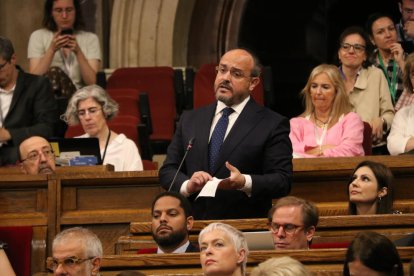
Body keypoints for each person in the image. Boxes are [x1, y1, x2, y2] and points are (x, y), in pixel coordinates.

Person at [159, 48, 292, 220]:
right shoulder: (190, 119)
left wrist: (244, 182)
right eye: (222, 70)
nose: (225, 78)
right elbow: (168, 170)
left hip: (241, 227)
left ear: (253, 83)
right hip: (194, 225)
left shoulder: (272, 124)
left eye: (236, 74)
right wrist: (188, 185)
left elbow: (282, 180)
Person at [0, 36, 57, 166]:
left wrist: (8, 134)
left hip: (22, 157)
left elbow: (47, 128)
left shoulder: (37, 85)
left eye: (0, 67)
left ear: (13, 59)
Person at [337, 26, 394, 151]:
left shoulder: (376, 75)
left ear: (365, 55)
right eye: (346, 47)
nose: (351, 51)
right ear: (339, 54)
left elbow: (390, 114)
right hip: (336, 147)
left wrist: (382, 120)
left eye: (358, 48)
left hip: (371, 147)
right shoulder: (329, 78)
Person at [62, 85, 143, 171]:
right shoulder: (74, 146)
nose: (87, 117)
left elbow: (136, 183)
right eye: (81, 113)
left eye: (92, 111)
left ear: (106, 111)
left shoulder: (126, 146)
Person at [289, 64, 364, 157]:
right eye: (314, 86)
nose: (318, 92)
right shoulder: (296, 124)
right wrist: (325, 148)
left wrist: (310, 152)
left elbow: (351, 152)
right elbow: (290, 153)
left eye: (325, 87)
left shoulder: (352, 120)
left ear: (337, 91)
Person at [28, 0, 101, 90]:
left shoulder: (90, 38)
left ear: (76, 12)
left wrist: (78, 52)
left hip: (81, 96)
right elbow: (34, 80)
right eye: (59, 10)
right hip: (49, 96)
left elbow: (92, 82)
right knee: (54, 72)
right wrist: (51, 50)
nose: (64, 16)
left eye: (69, 10)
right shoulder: (38, 36)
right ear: (51, 13)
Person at [366, 13, 406, 106]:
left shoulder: (410, 60)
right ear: (372, 39)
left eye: (391, 29)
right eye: (380, 32)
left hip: (405, 116)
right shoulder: (366, 63)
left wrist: (401, 62)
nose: (388, 35)